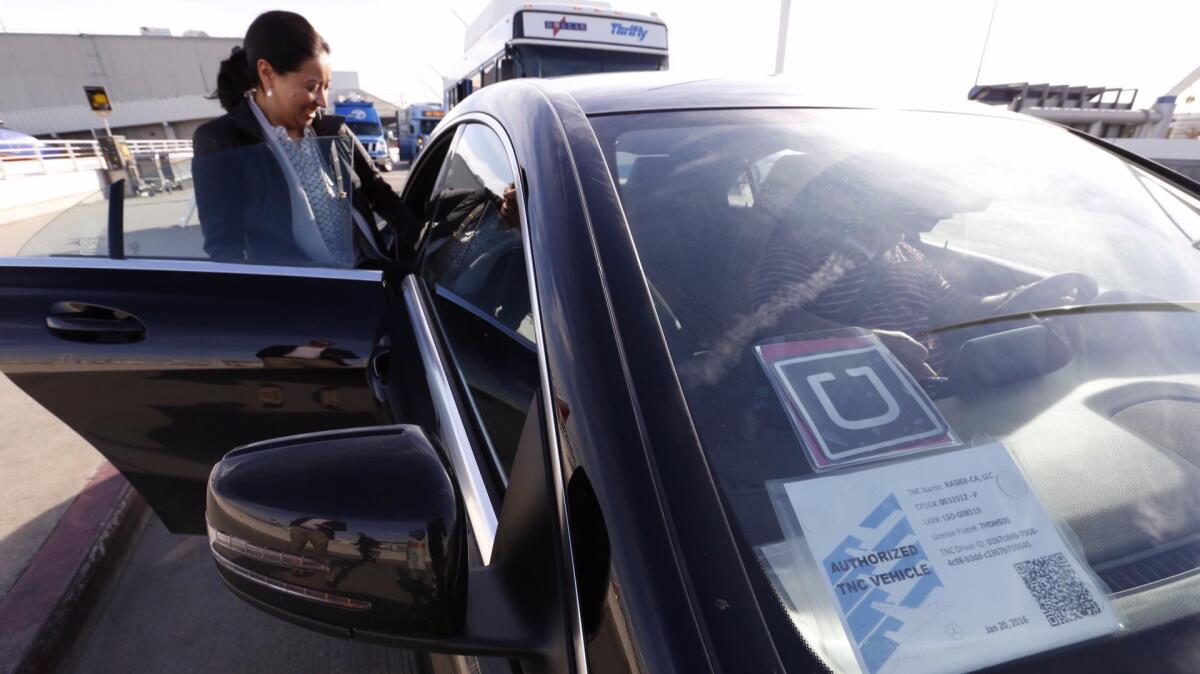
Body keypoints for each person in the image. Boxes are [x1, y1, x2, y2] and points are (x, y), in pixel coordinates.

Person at [193, 11, 419, 267]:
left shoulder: (333, 130)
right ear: (267, 74)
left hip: (364, 279)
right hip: (299, 296)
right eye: (311, 87)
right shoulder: (223, 142)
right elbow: (225, 250)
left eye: (326, 86)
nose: (322, 101)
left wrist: (419, 239)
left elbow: (377, 191)